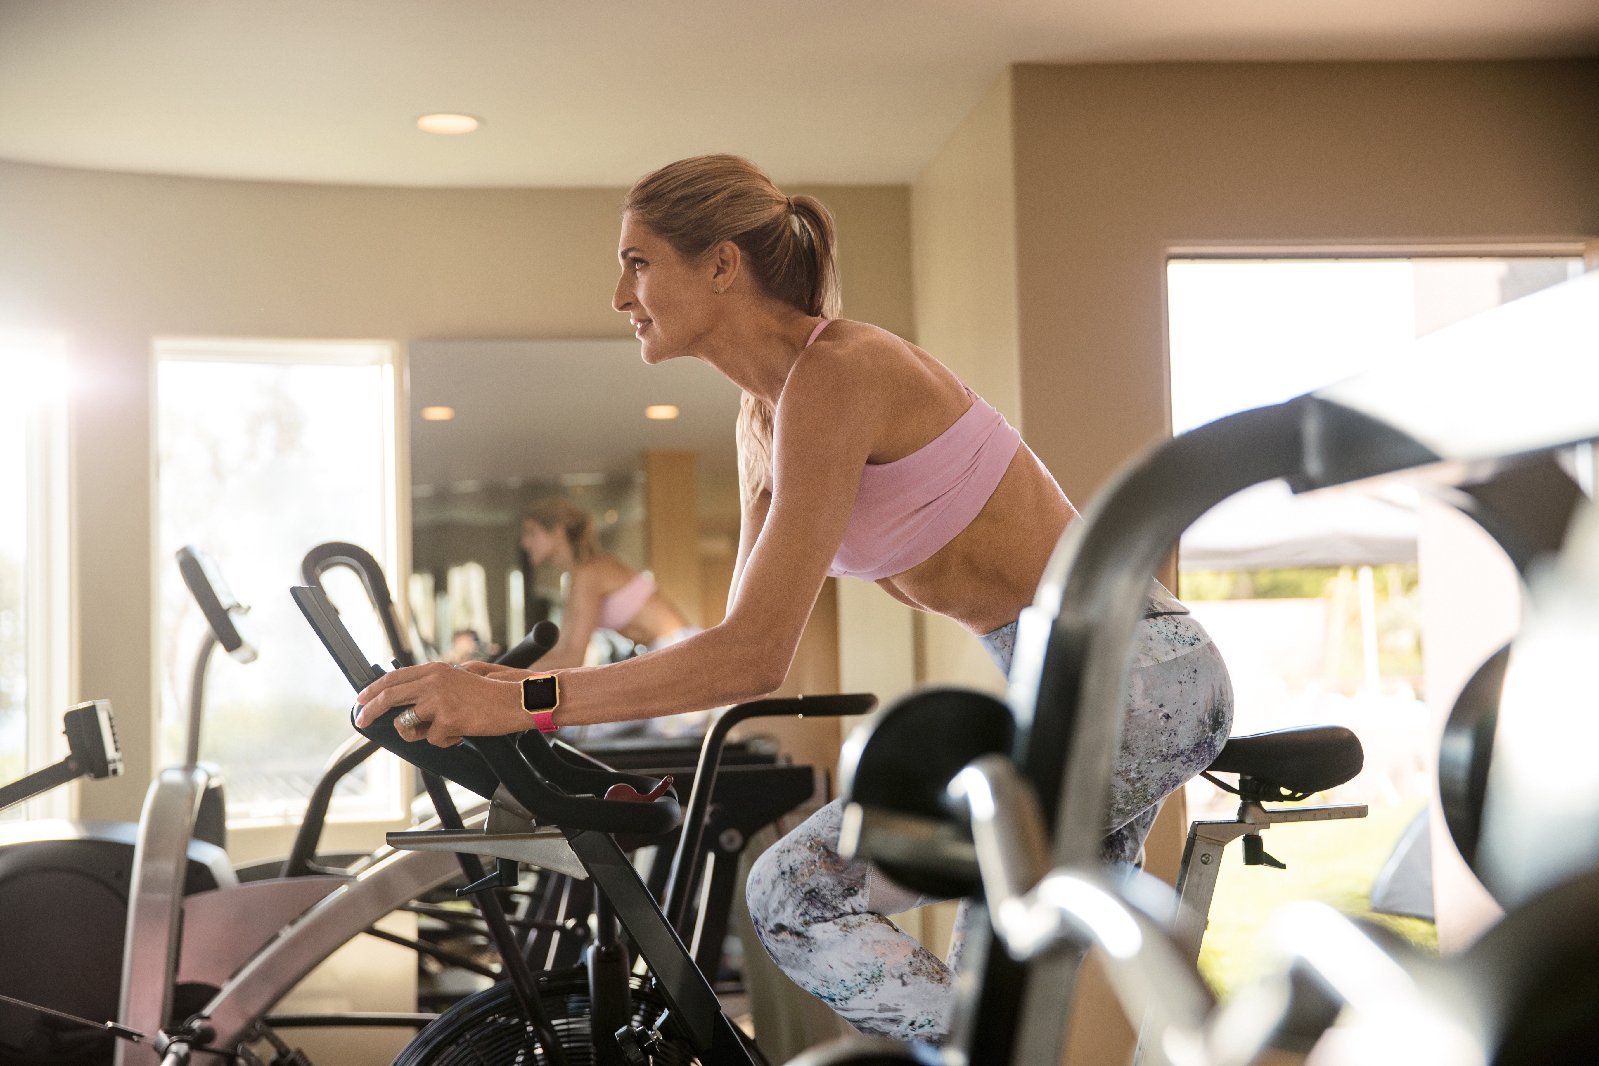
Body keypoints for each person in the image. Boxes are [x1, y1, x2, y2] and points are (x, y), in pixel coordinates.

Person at [355, 153, 1233, 1045]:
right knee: (996, 985)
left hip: (1138, 678)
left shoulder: (843, 372)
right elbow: (740, 650)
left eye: (638, 262)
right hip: (1065, 692)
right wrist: (488, 686)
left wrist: (523, 701)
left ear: (722, 264)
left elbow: (751, 654)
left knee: (794, 895)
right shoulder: (761, 419)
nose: (621, 296)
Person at [517, 496, 706, 740]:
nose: (525, 542)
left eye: (532, 532)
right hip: (664, 656)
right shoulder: (578, 577)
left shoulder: (590, 572)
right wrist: (510, 670)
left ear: (558, 532)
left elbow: (573, 657)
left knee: (661, 757)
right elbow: (563, 649)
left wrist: (508, 674)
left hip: (680, 656)